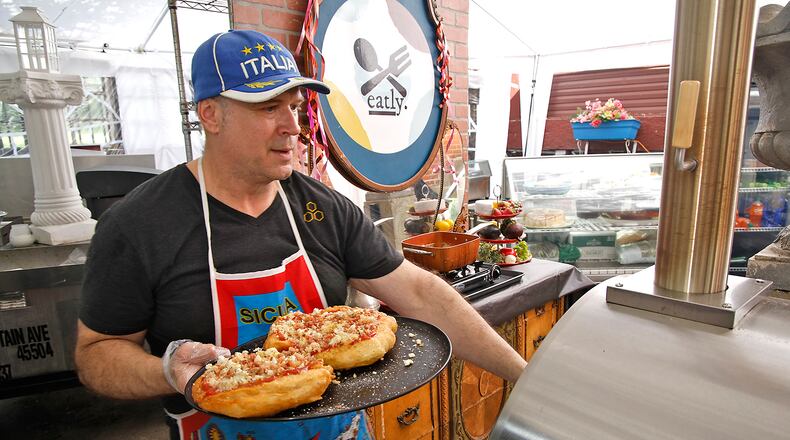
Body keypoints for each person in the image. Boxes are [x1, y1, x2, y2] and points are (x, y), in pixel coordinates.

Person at [74, 29, 526, 440]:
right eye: (269, 107)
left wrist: (526, 376)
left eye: (293, 106)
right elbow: (97, 353)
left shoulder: (324, 208)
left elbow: (421, 294)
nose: (293, 127)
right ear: (211, 115)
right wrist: (168, 373)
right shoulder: (140, 224)